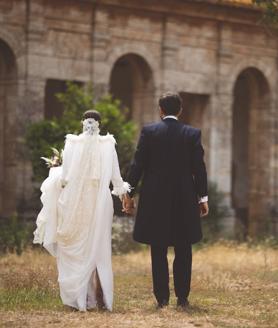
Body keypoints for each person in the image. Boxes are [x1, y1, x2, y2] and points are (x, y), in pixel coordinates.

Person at [33, 110, 130, 312]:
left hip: (75, 201)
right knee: (99, 246)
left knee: (79, 246)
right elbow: (116, 178)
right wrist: (125, 196)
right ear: (100, 125)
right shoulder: (107, 144)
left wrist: (55, 176)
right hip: (100, 202)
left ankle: (83, 297)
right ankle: (100, 297)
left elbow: (65, 177)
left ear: (82, 123)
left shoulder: (72, 143)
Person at [123, 92, 209, 309]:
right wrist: (203, 197)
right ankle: (182, 298)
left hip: (154, 198)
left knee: (158, 248)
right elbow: (199, 169)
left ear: (160, 110)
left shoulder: (149, 132)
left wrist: (129, 193)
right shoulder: (192, 133)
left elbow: (137, 165)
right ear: (180, 110)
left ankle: (162, 299)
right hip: (185, 197)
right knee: (184, 248)